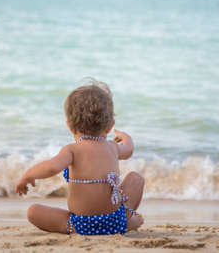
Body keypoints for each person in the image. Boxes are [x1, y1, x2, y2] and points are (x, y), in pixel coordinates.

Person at [15, 80, 145, 235]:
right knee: (136, 179)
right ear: (110, 126)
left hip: (80, 224)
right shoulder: (113, 147)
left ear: (70, 126)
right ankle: (125, 221)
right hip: (114, 221)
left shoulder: (72, 150)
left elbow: (51, 167)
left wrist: (27, 176)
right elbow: (129, 150)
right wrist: (126, 137)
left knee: (33, 212)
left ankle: (81, 228)